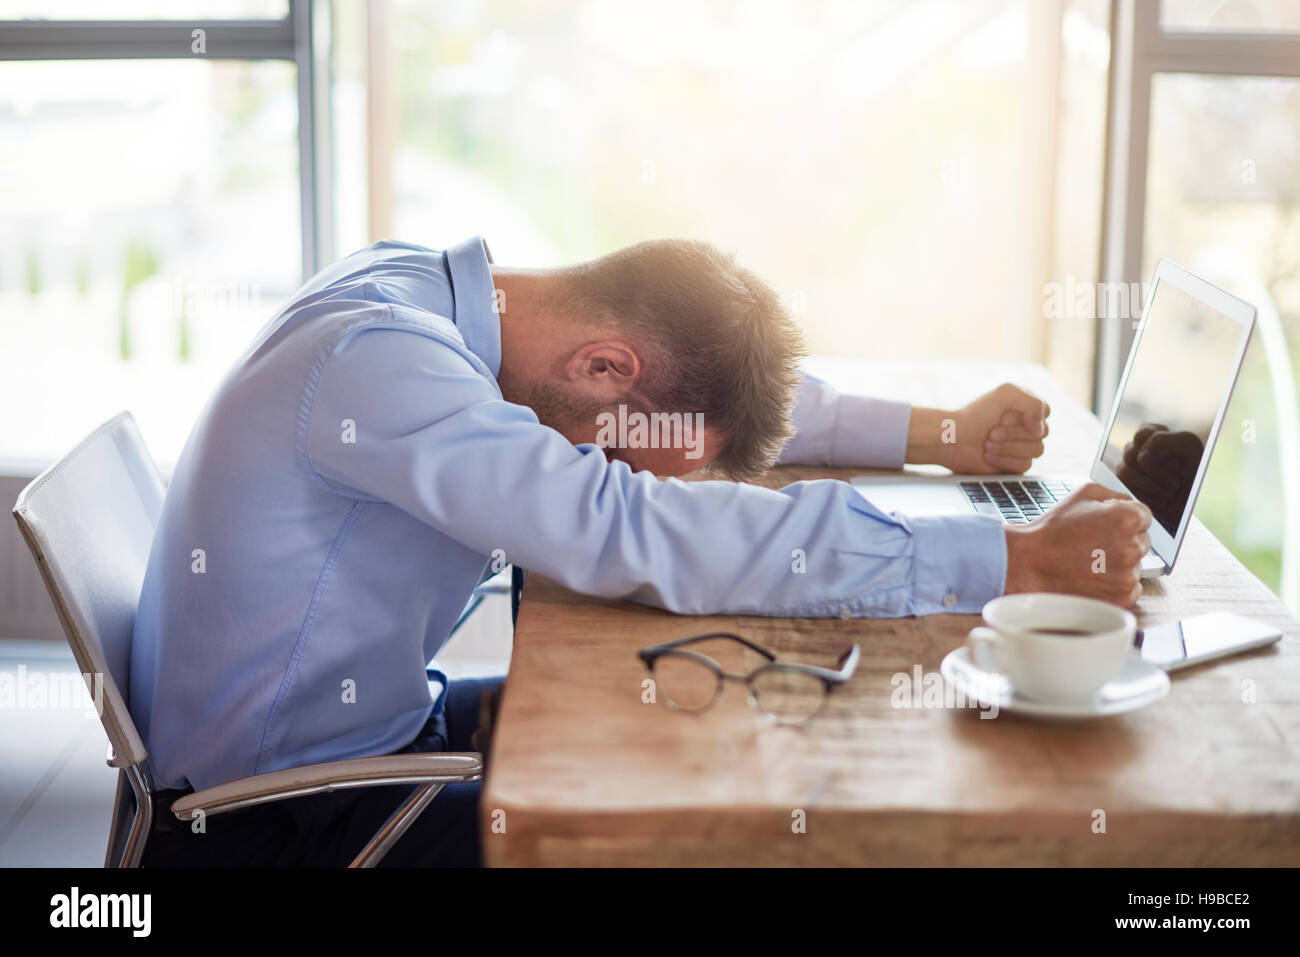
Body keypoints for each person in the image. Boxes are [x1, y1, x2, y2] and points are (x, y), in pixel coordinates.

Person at [131, 236, 1151, 866]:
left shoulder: (435, 302)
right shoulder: (382, 364)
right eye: (612, 451)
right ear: (602, 361)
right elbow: (626, 523)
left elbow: (673, 410)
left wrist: (939, 435)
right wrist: (1007, 561)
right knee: (707, 829)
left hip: (367, 731)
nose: (604, 466)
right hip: (272, 826)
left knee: (673, 710)